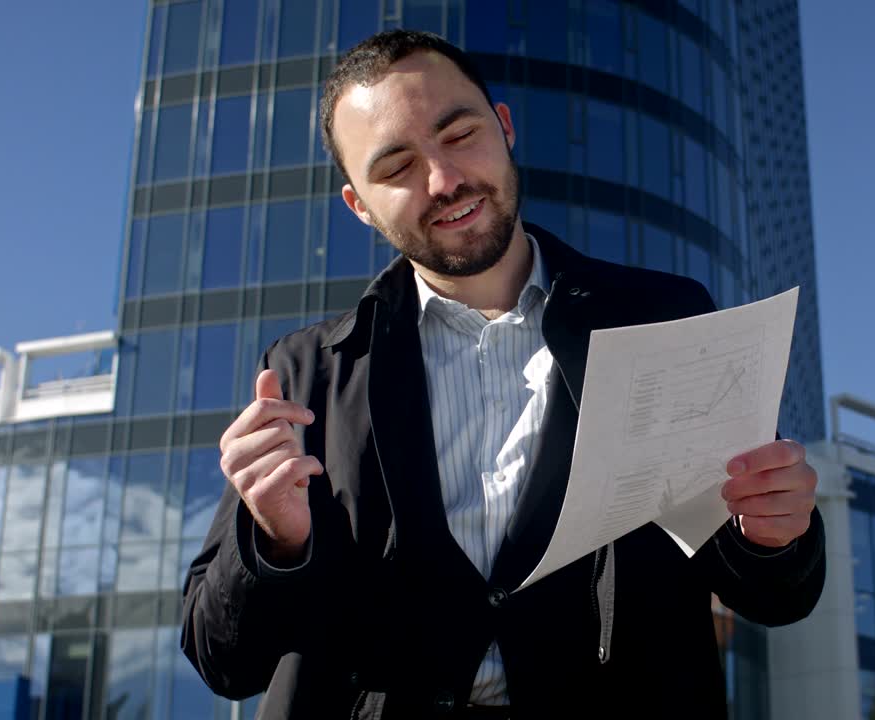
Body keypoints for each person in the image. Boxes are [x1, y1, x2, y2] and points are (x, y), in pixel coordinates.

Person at [181, 30, 825, 720]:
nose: (444, 180)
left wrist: (775, 533)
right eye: (397, 168)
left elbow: (773, 595)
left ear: (506, 127)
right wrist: (277, 542)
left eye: (459, 135)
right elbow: (224, 660)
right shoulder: (304, 374)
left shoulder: (661, 318)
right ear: (358, 205)